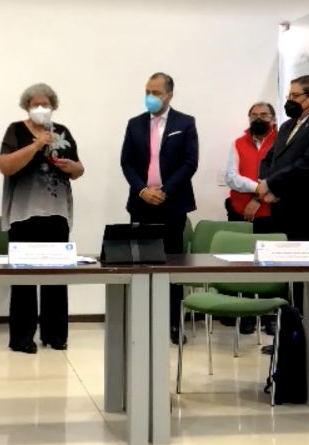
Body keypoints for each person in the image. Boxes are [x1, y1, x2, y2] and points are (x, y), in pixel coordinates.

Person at [0, 83, 84, 354]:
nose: (40, 108)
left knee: (56, 278)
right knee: (24, 279)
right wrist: (36, 145)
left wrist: (73, 167)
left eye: (45, 104)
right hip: (24, 215)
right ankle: (22, 338)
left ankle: (55, 335)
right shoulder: (15, 130)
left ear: (53, 106)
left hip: (56, 214)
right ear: (26, 106)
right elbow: (5, 166)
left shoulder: (63, 132)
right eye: (35, 104)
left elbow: (79, 169)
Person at [120, 72, 199, 345]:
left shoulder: (185, 123)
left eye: (155, 92)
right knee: (141, 264)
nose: (150, 97)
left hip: (172, 204)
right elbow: (127, 162)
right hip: (141, 204)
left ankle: (173, 323)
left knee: (171, 265)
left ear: (169, 95)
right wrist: (143, 190)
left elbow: (190, 163)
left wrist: (164, 191)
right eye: (147, 92)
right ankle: (143, 323)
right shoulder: (135, 124)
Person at [257, 75, 309, 309]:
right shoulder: (287, 126)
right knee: (283, 276)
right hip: (280, 210)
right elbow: (269, 159)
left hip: (306, 213)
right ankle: (285, 326)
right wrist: (266, 185)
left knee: (305, 282)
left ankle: (306, 327)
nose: (290, 101)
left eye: (295, 96)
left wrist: (273, 185)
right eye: (289, 96)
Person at [223, 102, 279, 335]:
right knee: (242, 262)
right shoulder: (238, 143)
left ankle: (270, 315)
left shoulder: (282, 141)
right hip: (239, 211)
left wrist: (257, 199)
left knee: (269, 264)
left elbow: (280, 176)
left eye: (264, 115)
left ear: (273, 119)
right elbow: (231, 177)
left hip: (271, 213)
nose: (258, 118)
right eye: (254, 115)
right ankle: (245, 314)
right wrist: (257, 188)